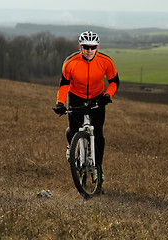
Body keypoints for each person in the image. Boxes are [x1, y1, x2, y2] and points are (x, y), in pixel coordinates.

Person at [53, 31, 120, 180]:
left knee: (98, 134)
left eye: (93, 47)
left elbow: (114, 81)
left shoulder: (105, 61)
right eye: (86, 47)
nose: (89, 50)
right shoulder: (70, 62)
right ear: (80, 47)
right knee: (73, 129)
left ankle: (98, 168)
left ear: (97, 47)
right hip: (76, 97)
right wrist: (60, 103)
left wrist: (108, 95)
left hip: (97, 98)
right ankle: (71, 147)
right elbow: (64, 85)